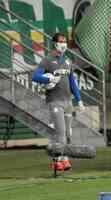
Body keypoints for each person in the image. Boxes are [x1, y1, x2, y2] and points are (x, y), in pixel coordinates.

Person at [32, 33, 85, 171]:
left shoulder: (67, 61)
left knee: (68, 133)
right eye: (61, 42)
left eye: (65, 42)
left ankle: (64, 159)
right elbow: (35, 76)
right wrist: (49, 79)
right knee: (60, 132)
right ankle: (57, 160)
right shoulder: (47, 60)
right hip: (54, 101)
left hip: (68, 102)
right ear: (55, 44)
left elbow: (72, 81)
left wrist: (79, 100)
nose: (64, 44)